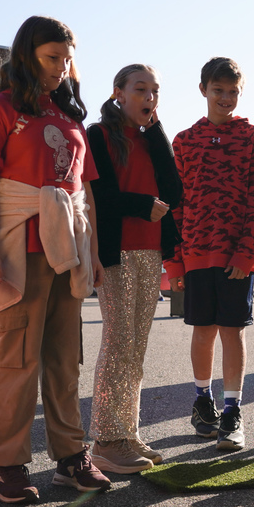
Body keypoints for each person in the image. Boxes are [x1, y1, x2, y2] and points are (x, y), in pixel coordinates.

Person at [0, 15, 110, 503]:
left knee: (65, 361)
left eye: (68, 58)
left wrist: (93, 253)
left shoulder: (71, 119)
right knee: (14, 361)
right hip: (17, 253)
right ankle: (5, 464)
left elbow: (83, 193)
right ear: (26, 55)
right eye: (52, 58)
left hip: (67, 255)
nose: (62, 68)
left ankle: (71, 458)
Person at [168, 57, 254, 452]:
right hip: (194, 253)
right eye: (218, 90)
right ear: (203, 90)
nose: (225, 98)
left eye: (232, 92)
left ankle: (232, 411)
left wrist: (248, 253)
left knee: (233, 331)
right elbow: (174, 204)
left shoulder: (252, 137)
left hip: (235, 257)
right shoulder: (183, 140)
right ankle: (202, 401)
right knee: (202, 331)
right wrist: (175, 261)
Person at [86, 64, 183, 473]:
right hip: (116, 251)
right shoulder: (98, 134)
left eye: (155, 91)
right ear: (118, 93)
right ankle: (106, 441)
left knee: (136, 347)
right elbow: (100, 196)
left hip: (148, 251)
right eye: (140, 89)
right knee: (118, 342)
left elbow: (174, 192)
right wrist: (143, 205)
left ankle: (127, 433)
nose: (149, 97)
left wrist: (157, 130)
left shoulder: (148, 139)